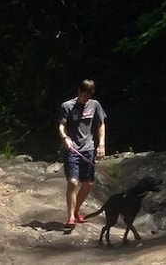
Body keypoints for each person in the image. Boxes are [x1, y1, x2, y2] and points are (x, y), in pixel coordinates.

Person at [57, 79, 107, 227]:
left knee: (88, 184)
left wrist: (101, 144)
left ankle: (76, 210)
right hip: (72, 149)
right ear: (79, 91)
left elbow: (101, 124)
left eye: (89, 96)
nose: (86, 99)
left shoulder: (95, 105)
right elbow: (61, 126)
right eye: (84, 95)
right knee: (73, 182)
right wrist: (65, 138)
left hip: (89, 149)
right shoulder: (67, 106)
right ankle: (71, 217)